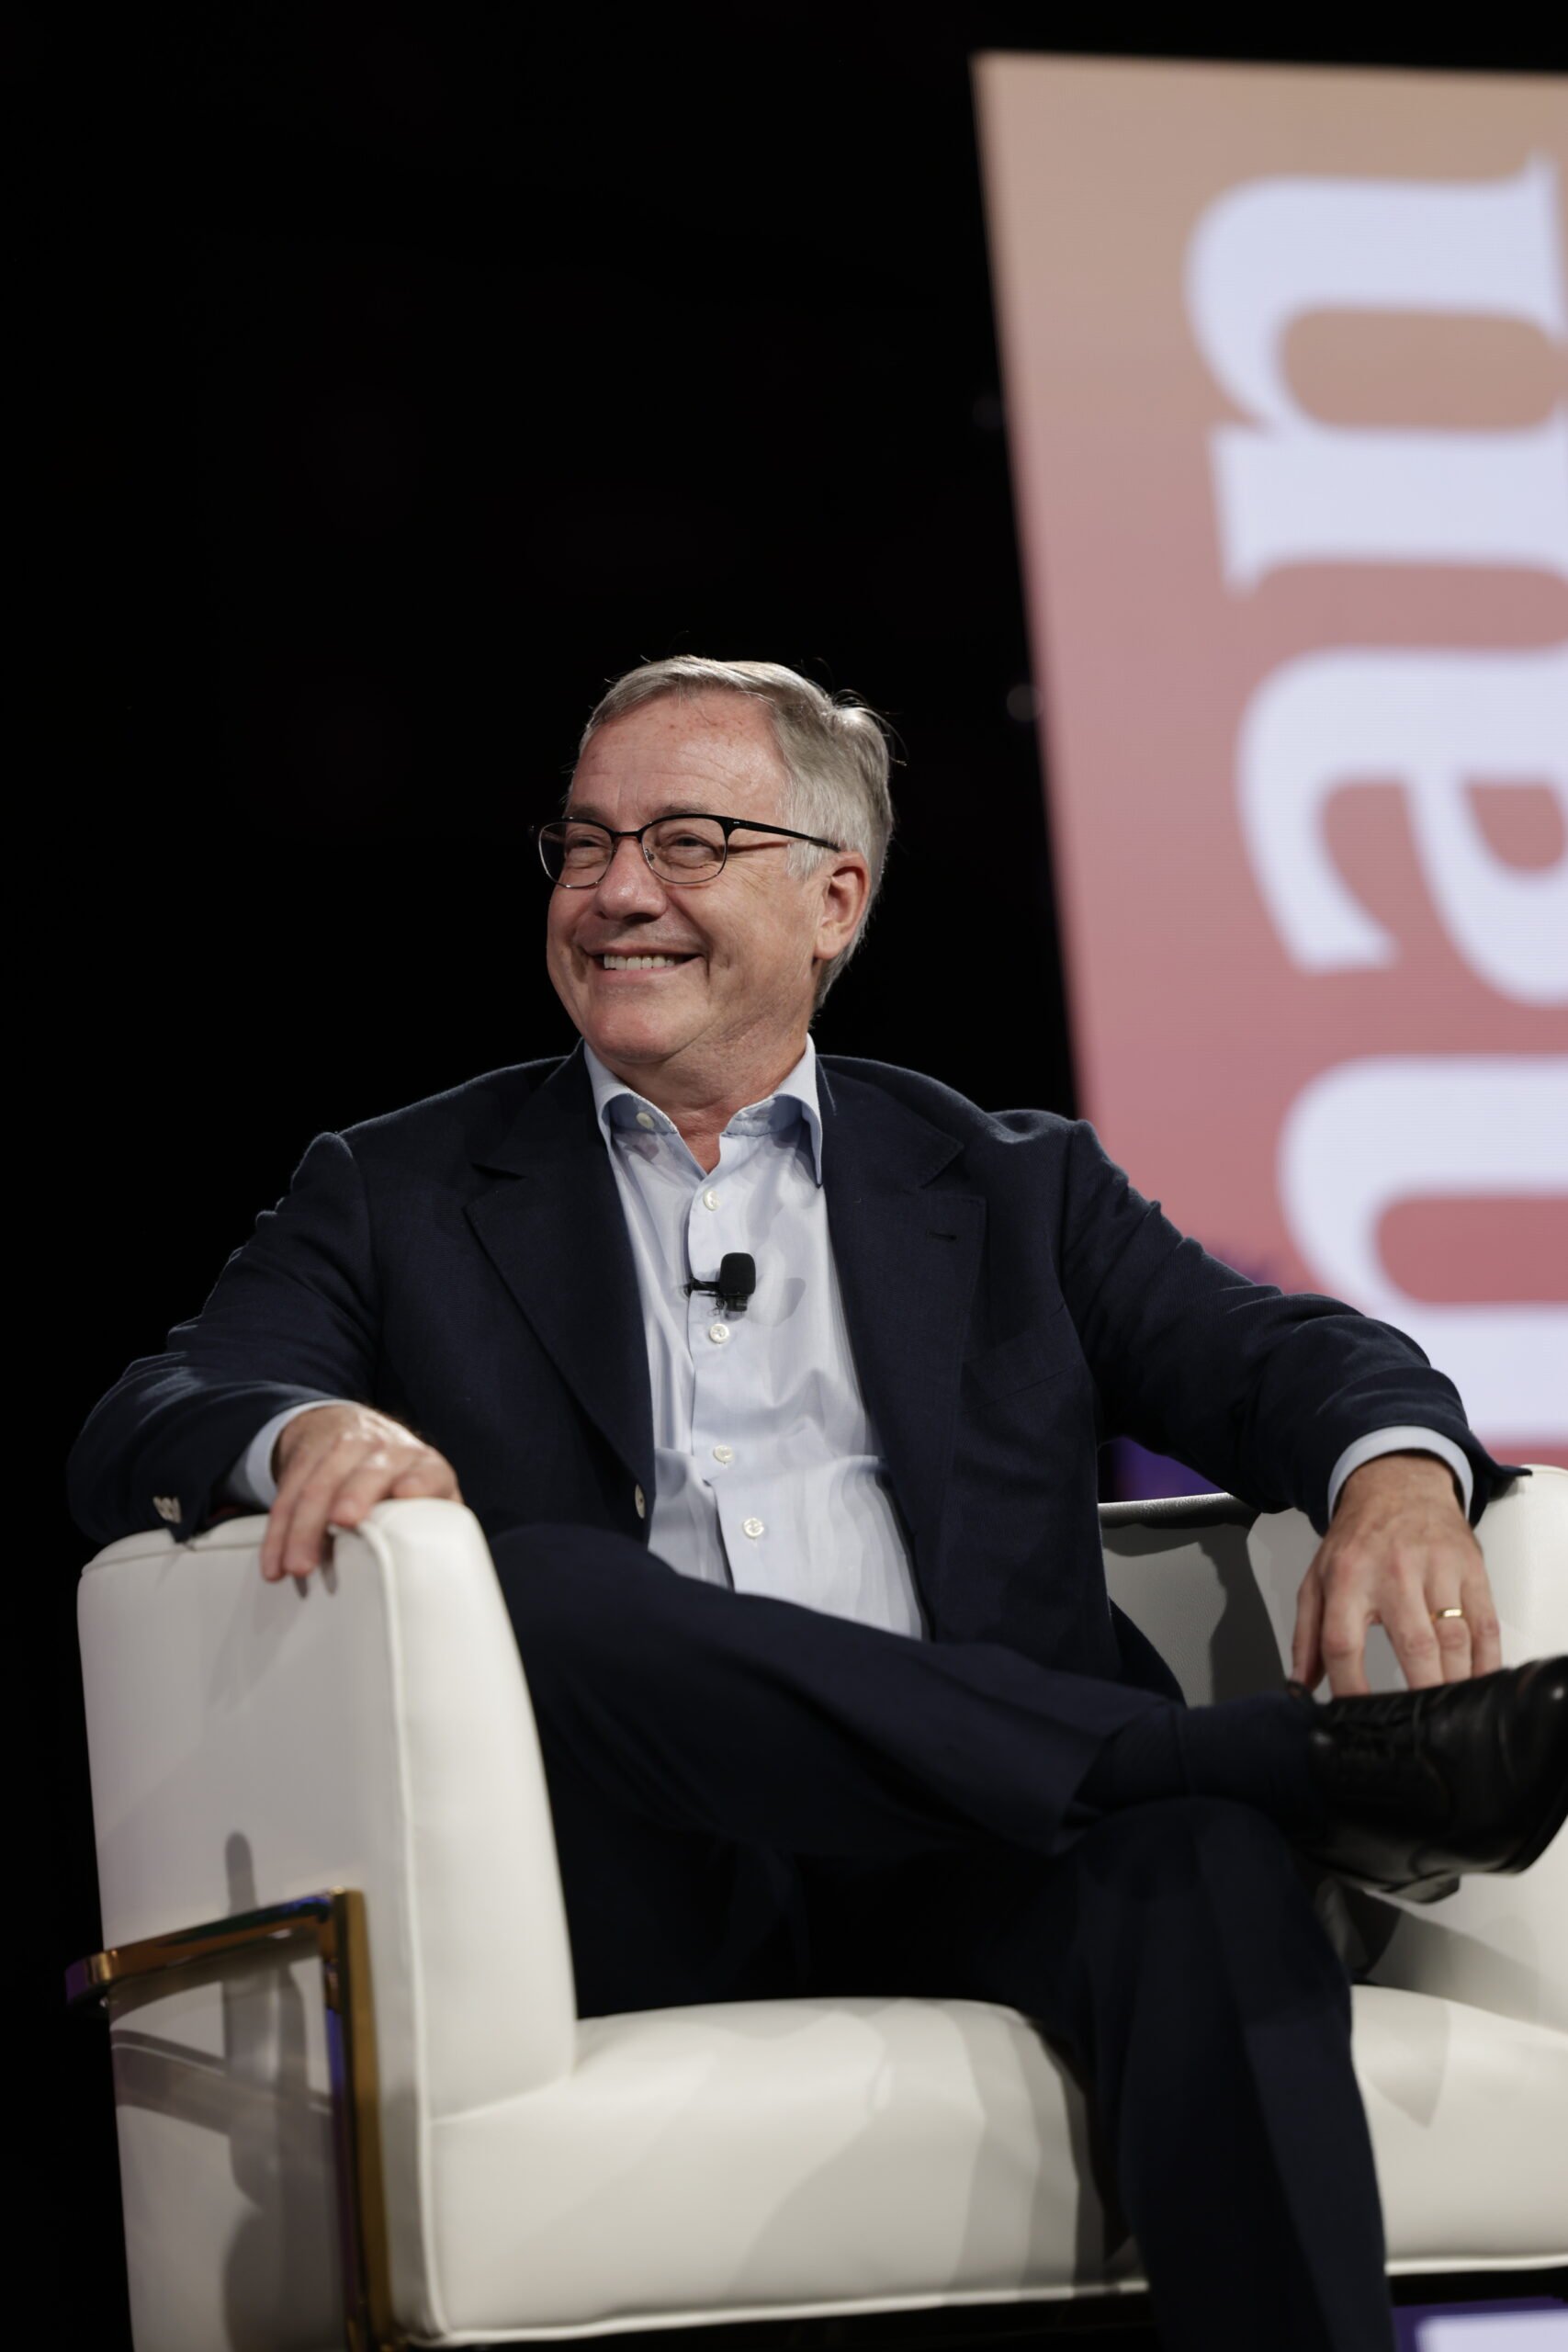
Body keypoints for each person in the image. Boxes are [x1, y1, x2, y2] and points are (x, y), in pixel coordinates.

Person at [70, 657, 1567, 2352]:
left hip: (985, 1852)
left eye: (688, 842)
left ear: (834, 900)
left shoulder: (1012, 1186)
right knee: (528, 1586)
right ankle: (1251, 1763)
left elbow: (1286, 1358)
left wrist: (1395, 1477)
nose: (617, 889)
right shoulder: (399, 1189)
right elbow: (153, 1413)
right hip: (633, 1870)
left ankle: (1205, 1804)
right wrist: (304, 1431)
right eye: (585, 842)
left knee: (1207, 1868)